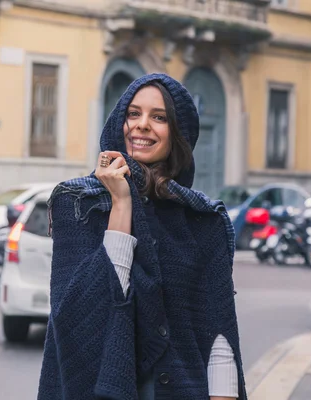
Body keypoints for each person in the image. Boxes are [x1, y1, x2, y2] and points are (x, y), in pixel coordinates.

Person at [38, 74, 245, 400]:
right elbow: (85, 313)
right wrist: (121, 203)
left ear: (178, 133)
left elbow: (218, 332)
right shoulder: (78, 203)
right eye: (133, 114)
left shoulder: (203, 219)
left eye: (159, 117)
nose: (142, 125)